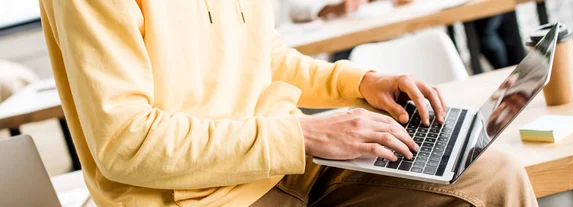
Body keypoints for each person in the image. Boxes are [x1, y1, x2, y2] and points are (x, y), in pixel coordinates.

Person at [39, 1, 538, 206]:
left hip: (286, 164)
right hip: (200, 198)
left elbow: (261, 55)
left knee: (496, 175)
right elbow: (127, 143)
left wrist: (358, 82)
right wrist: (304, 134)